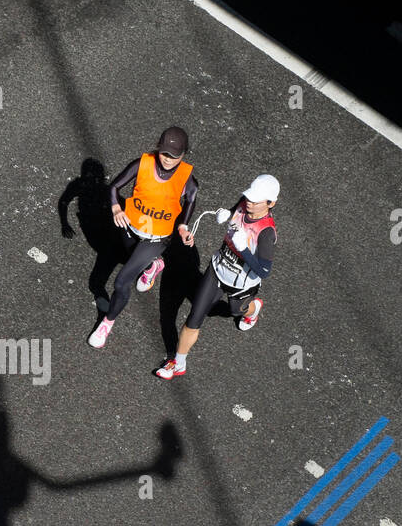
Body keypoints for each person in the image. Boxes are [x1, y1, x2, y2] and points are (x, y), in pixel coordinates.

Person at [156, 174, 280, 379]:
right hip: (217, 270)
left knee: (234, 310)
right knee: (195, 315)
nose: (249, 202)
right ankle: (178, 363)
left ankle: (253, 308)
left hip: (242, 284)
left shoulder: (266, 233)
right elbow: (233, 214)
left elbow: (264, 272)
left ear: (270, 203)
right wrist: (226, 214)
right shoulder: (243, 205)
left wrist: (244, 250)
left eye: (255, 201)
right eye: (248, 197)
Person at [88, 126, 198, 349]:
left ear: (184, 154)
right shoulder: (143, 163)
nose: (167, 159)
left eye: (174, 156)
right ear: (158, 147)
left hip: (157, 237)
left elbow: (191, 201)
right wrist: (116, 208)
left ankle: (107, 321)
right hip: (130, 226)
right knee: (132, 256)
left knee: (120, 281)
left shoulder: (188, 179)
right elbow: (114, 187)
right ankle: (154, 265)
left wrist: (183, 226)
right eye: (164, 153)